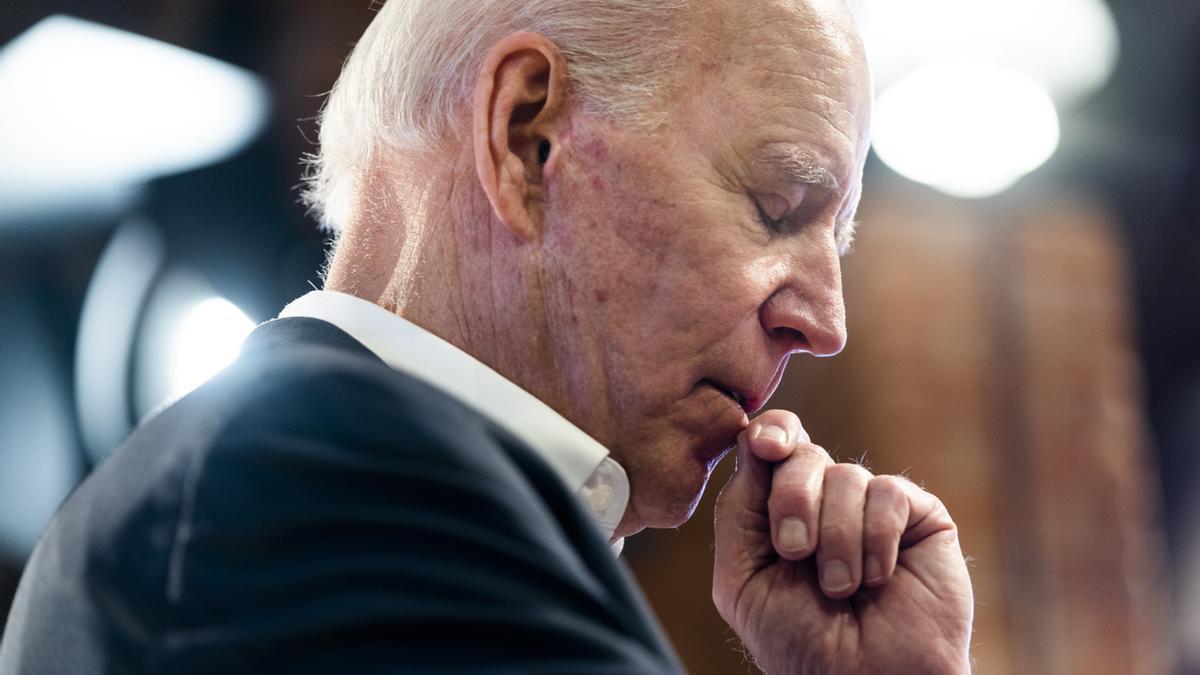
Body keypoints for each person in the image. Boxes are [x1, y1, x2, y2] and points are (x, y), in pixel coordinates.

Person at [0, 0, 974, 672]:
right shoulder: (327, 497)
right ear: (526, 137)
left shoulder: (288, 483)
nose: (826, 323)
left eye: (837, 241)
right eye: (776, 205)